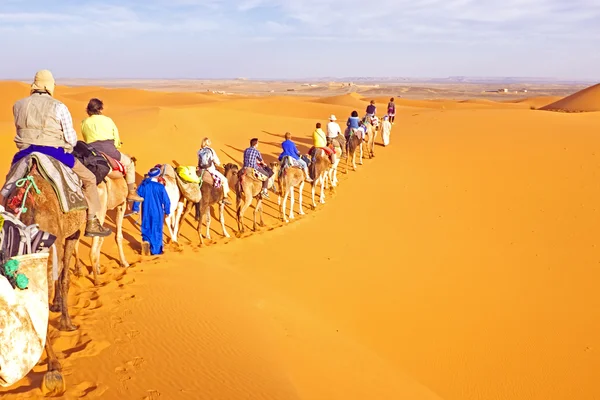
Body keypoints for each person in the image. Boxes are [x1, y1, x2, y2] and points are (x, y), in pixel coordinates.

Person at [9, 70, 110, 237]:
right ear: (50, 86)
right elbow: (71, 139)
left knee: (8, 186)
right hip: (54, 153)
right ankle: (92, 221)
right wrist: (67, 148)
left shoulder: (18, 105)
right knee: (90, 179)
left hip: (24, 154)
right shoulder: (58, 106)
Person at [80, 98, 143, 202]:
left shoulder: (84, 123)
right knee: (130, 164)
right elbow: (116, 138)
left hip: (93, 153)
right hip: (110, 151)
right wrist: (117, 145)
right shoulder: (108, 120)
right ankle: (131, 192)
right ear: (100, 109)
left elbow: (86, 138)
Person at [132, 167, 171, 255]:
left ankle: (146, 241)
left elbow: (137, 197)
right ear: (157, 176)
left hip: (145, 211)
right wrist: (167, 211)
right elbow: (166, 201)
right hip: (157, 212)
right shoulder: (160, 187)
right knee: (156, 230)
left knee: (146, 227)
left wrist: (135, 208)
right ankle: (156, 251)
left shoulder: (143, 185)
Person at [197, 137, 232, 205]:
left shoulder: (199, 151)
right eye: (209, 141)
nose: (210, 142)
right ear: (207, 142)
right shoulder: (211, 150)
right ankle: (225, 197)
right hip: (210, 169)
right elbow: (216, 160)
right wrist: (218, 163)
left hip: (201, 169)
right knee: (224, 180)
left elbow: (199, 160)